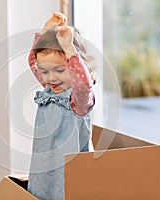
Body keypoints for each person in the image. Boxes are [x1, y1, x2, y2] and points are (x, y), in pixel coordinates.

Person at [27, 12, 96, 200]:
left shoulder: (78, 100)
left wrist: (68, 48)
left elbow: (84, 83)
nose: (51, 78)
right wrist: (45, 31)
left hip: (69, 171)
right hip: (43, 168)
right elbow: (34, 62)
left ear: (77, 66)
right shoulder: (50, 91)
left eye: (59, 70)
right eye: (45, 72)